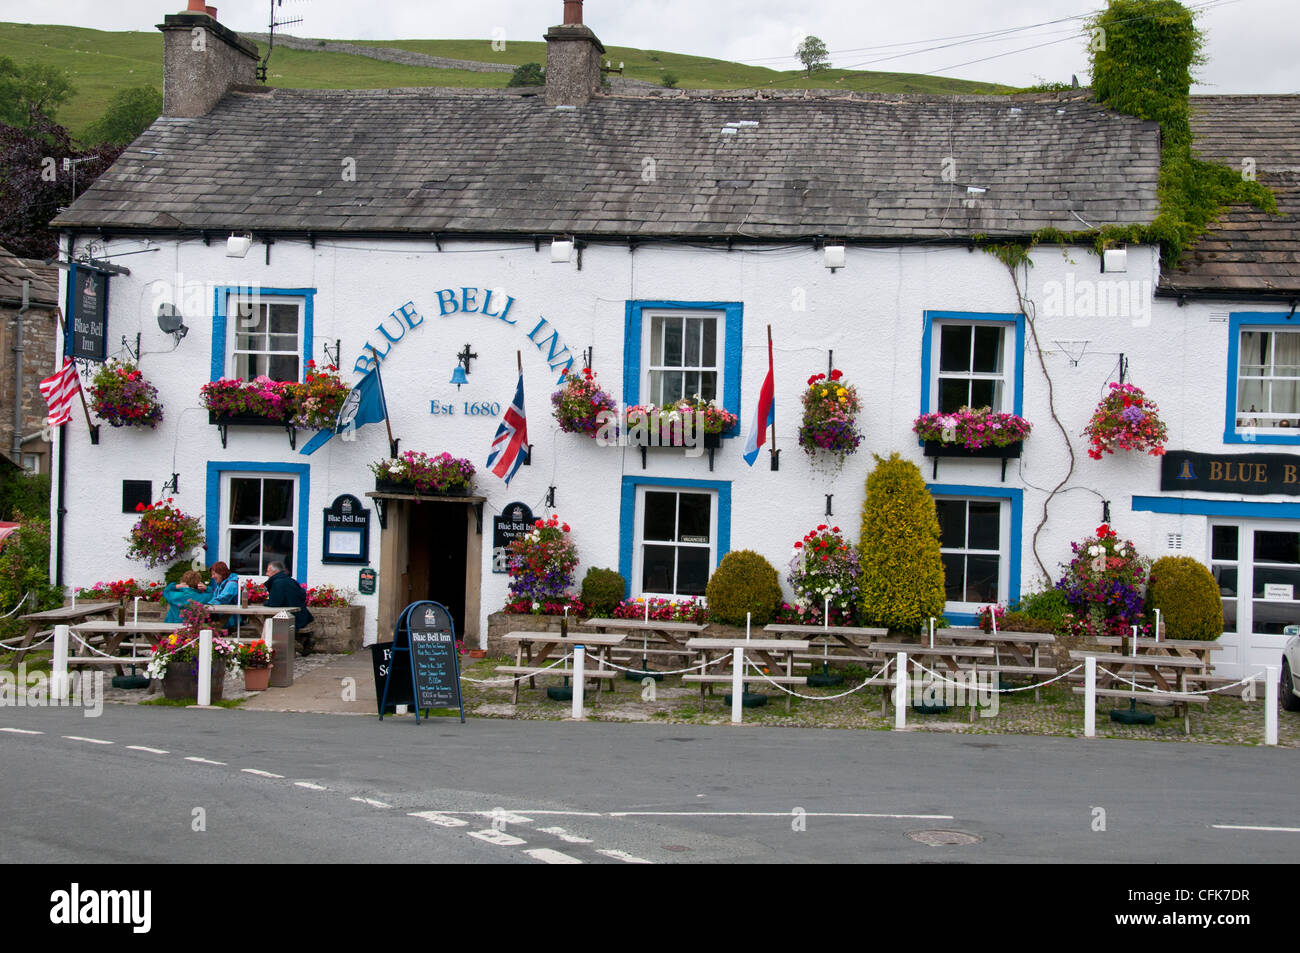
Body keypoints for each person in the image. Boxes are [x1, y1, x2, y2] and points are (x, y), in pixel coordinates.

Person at [264, 561, 315, 656]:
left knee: (271, 624)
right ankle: (304, 640)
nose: (266, 574)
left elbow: (275, 604)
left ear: (274, 571)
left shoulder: (277, 583)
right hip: (302, 615)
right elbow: (303, 595)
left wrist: (265, 603)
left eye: (268, 571)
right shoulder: (290, 580)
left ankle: (278, 651)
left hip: (291, 618)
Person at [206, 561, 240, 630]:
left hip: (231, 621)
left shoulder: (232, 584)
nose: (212, 577)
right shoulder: (220, 584)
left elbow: (222, 599)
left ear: (221, 573)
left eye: (214, 574)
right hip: (223, 618)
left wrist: (207, 606)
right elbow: (214, 597)